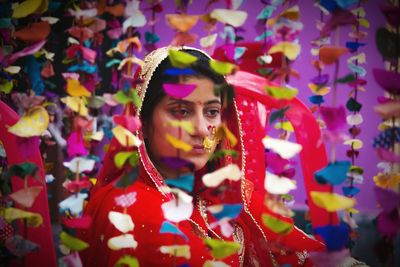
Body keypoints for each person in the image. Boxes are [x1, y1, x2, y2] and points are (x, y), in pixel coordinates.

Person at [79, 46, 325, 266]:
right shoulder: (132, 211)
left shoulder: (223, 193)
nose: (200, 129)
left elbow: (307, 255)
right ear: (142, 121)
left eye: (212, 111)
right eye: (182, 111)